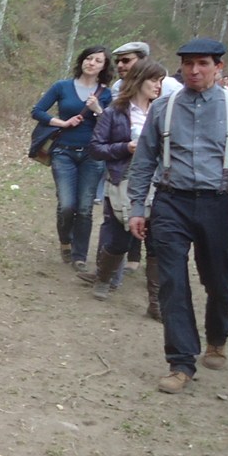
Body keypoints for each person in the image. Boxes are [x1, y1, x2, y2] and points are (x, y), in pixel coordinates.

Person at [128, 38, 228, 395]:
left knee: (218, 280)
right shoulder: (165, 107)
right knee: (172, 281)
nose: (194, 70)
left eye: (203, 63)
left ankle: (218, 334)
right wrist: (137, 208)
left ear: (218, 67)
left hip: (219, 202)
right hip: (171, 202)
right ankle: (180, 361)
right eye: (188, 63)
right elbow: (145, 159)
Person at [83, 59, 166, 303]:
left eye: (161, 81)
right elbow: (96, 148)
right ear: (139, 80)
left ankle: (155, 301)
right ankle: (103, 279)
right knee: (119, 237)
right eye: (154, 80)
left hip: (159, 183)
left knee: (156, 241)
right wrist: (125, 147)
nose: (158, 86)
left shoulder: (163, 112)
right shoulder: (114, 112)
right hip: (123, 181)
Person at [31, 46, 114, 270]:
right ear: (82, 60)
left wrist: (98, 109)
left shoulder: (106, 94)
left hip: (92, 155)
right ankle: (65, 240)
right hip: (63, 152)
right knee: (67, 205)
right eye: (89, 58)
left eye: (98, 60)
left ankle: (80, 255)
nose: (92, 63)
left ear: (104, 67)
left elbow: (111, 125)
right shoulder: (62, 86)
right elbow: (37, 111)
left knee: (85, 207)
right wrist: (62, 123)